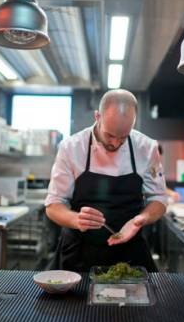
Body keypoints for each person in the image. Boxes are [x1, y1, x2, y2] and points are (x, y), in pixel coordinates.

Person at [45, 89, 168, 272]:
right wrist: (76, 219)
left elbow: (159, 199)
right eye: (110, 135)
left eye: (124, 137)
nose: (116, 143)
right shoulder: (71, 148)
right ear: (97, 117)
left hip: (130, 252)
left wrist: (141, 219)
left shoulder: (147, 147)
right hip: (79, 252)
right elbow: (53, 205)